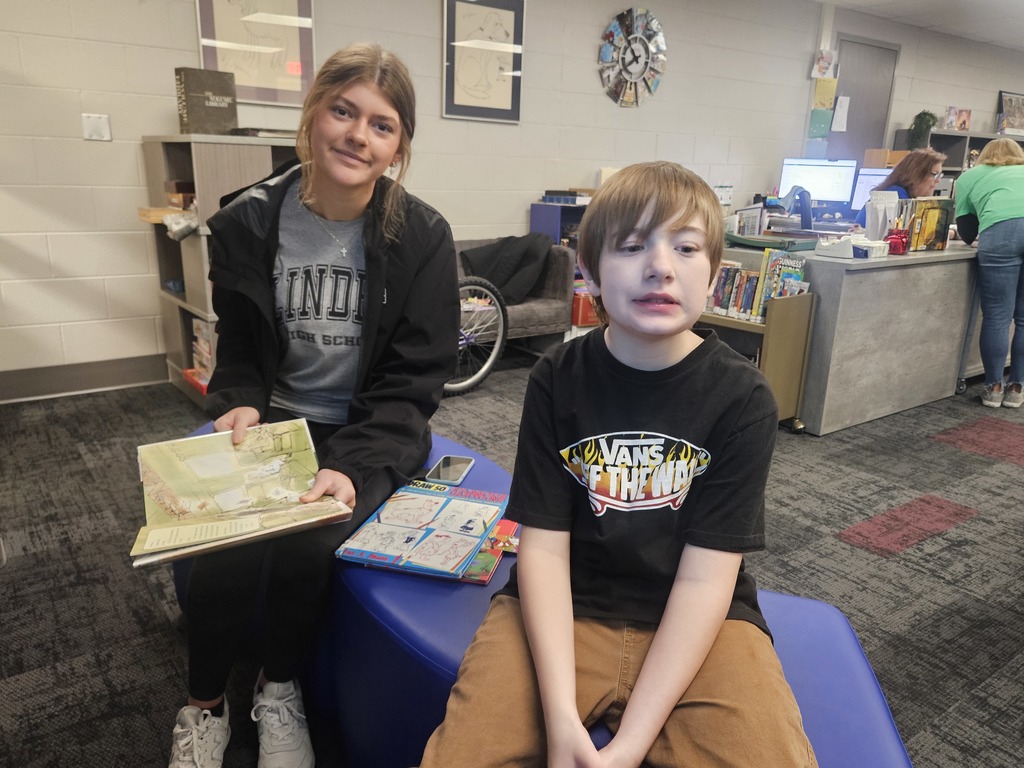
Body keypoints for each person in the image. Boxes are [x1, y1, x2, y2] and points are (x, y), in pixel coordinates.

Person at [420, 161, 817, 768]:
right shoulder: (558, 376)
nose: (661, 265)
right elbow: (543, 551)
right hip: (566, 608)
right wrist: (557, 722)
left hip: (700, 623)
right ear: (589, 273)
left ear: (713, 275)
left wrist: (630, 743)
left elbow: (706, 580)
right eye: (633, 246)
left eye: (686, 247)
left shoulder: (743, 399)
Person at [167, 43, 459, 768]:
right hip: (275, 421)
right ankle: (204, 704)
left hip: (368, 428)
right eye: (344, 111)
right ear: (313, 114)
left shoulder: (422, 237)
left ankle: (279, 687)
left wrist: (354, 463)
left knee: (308, 541)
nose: (360, 135)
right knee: (223, 548)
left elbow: (414, 380)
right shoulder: (247, 222)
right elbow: (239, 344)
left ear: (399, 147)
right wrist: (236, 403)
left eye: (383, 125)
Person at [954, 137, 1024, 408]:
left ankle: (994, 388)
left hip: (1001, 234)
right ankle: (1017, 389)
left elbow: (968, 233)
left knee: (996, 316)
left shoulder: (970, 176)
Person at [853, 147, 947, 227]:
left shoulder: (900, 192)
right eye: (934, 175)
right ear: (915, 174)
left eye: (939, 176)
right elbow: (916, 230)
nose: (938, 180)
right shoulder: (896, 195)